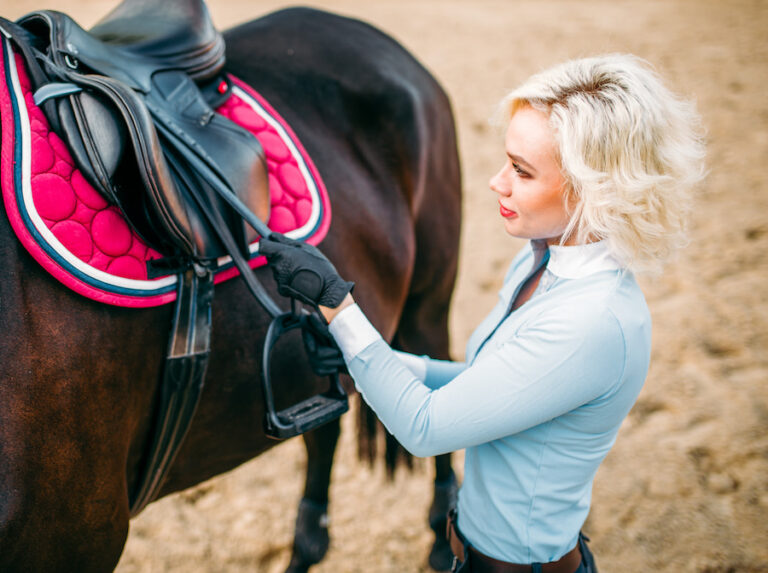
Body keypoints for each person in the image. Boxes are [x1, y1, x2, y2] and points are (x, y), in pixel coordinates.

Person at [259, 54, 705, 573]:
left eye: (521, 171)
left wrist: (337, 303)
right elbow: (489, 383)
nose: (497, 182)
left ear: (593, 190)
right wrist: (378, 364)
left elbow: (425, 428)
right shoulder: (541, 257)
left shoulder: (591, 322)